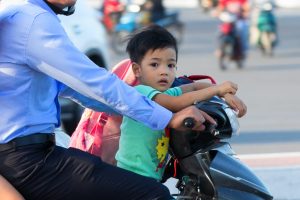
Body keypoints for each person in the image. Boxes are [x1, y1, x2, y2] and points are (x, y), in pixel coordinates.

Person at [0, 0, 223, 199]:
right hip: (29, 161)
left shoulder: (22, 15)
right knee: (152, 194)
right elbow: (94, 82)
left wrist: (163, 106)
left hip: (23, 157)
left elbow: (81, 90)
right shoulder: (34, 20)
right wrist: (165, 118)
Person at [115, 25, 247, 181]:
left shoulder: (166, 92)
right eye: (155, 65)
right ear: (137, 70)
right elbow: (175, 103)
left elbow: (194, 86)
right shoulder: (142, 92)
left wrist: (225, 94)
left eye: (170, 65)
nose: (164, 71)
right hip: (133, 177)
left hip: (151, 178)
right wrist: (217, 90)